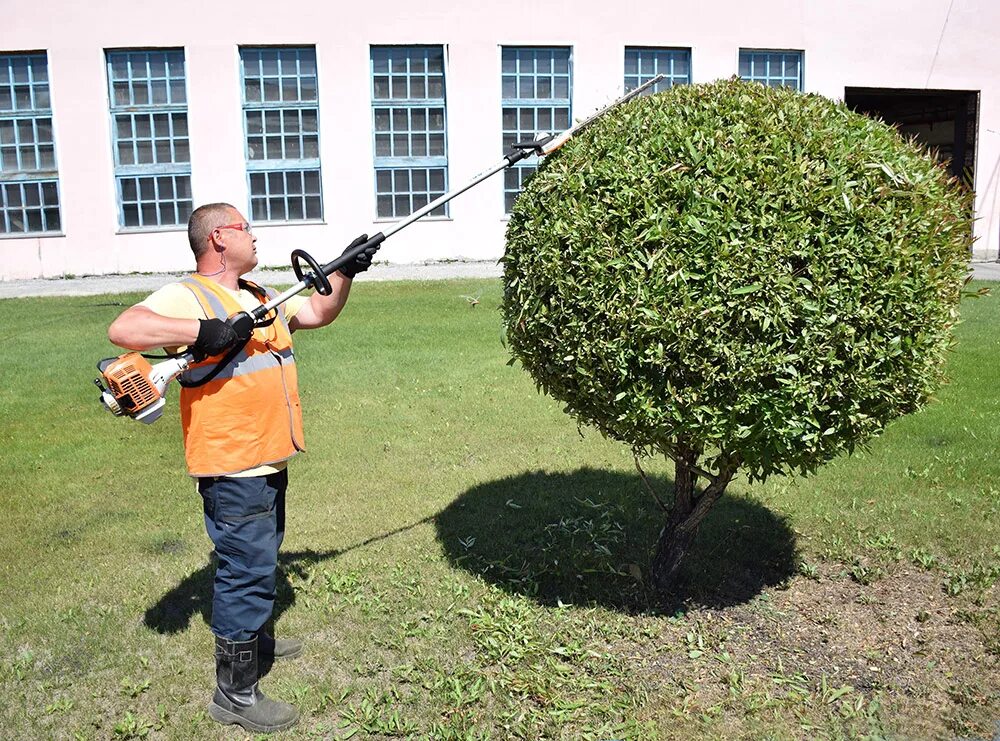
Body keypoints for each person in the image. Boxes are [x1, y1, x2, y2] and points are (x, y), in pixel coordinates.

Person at [107, 202, 378, 733]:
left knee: (262, 553)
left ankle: (257, 644)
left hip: (267, 452)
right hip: (231, 459)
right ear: (217, 240)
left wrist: (344, 270)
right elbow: (125, 328)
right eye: (245, 229)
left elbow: (318, 313)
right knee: (245, 571)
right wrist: (203, 330)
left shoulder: (258, 296)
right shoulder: (190, 293)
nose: (255, 237)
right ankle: (234, 694)